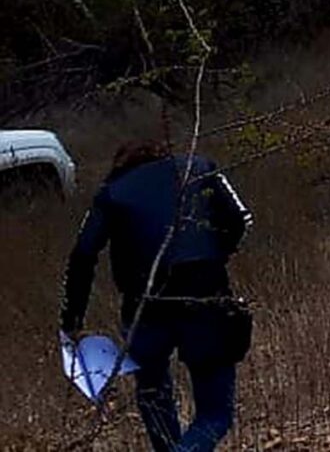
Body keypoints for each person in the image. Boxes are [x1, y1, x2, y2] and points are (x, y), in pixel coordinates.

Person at [60, 140, 254, 452]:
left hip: (144, 306)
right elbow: (241, 220)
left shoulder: (112, 192)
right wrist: (216, 255)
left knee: (153, 393)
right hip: (205, 298)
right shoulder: (199, 168)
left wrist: (72, 319)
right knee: (215, 414)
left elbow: (82, 255)